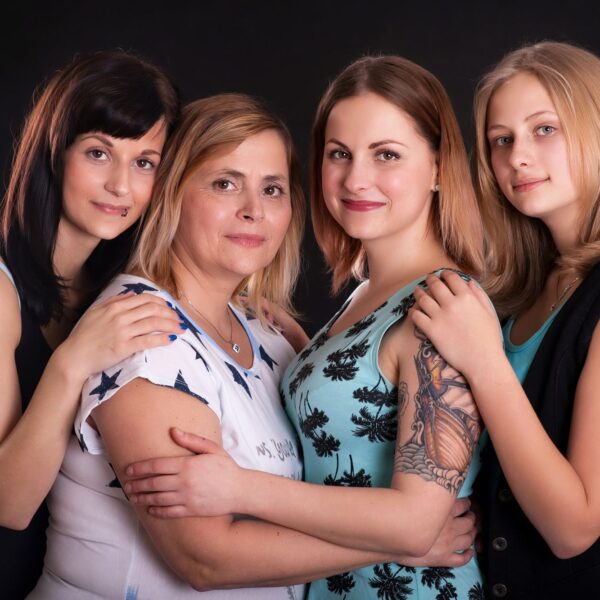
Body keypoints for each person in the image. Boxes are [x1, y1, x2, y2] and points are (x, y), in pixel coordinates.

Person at [29, 93, 479, 600]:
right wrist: (396, 544)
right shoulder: (142, 331)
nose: (253, 211)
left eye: (272, 189)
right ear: (172, 193)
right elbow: (205, 558)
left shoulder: (265, 333)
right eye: (225, 184)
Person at [406, 41, 600, 599]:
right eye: (501, 140)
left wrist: (483, 361)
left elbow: (575, 529)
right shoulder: (516, 295)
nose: (518, 157)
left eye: (545, 129)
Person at [0, 50, 181, 599]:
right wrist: (73, 360)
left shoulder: (114, 288)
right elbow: (9, 503)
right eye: (99, 153)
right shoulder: (2, 290)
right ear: (54, 153)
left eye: (145, 162)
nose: (121, 186)